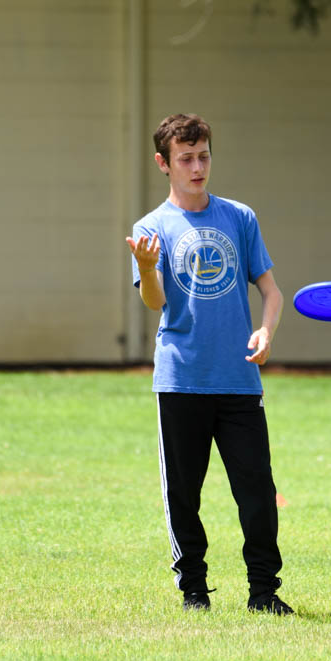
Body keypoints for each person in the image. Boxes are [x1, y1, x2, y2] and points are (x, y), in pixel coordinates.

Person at [125, 113, 292, 615]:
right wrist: (147, 268)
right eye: (186, 159)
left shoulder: (239, 218)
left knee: (257, 493)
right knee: (184, 495)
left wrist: (266, 330)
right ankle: (193, 590)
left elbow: (271, 290)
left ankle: (264, 592)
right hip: (181, 379)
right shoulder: (151, 228)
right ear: (164, 163)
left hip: (238, 380)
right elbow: (154, 303)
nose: (197, 167)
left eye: (204, 156)